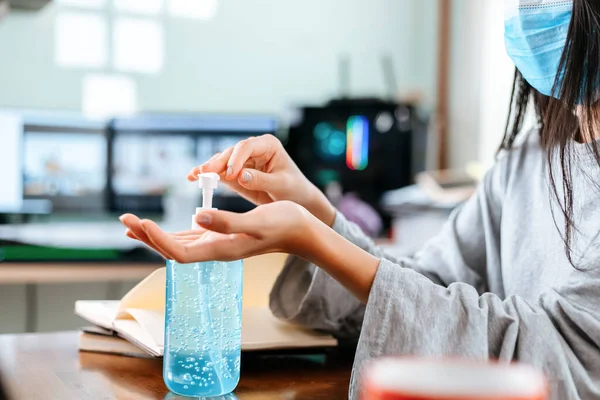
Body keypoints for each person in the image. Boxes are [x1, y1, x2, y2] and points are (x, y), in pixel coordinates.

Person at [120, 0, 600, 398]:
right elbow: (428, 290)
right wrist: (315, 212)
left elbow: (560, 370)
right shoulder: (527, 161)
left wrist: (313, 237)